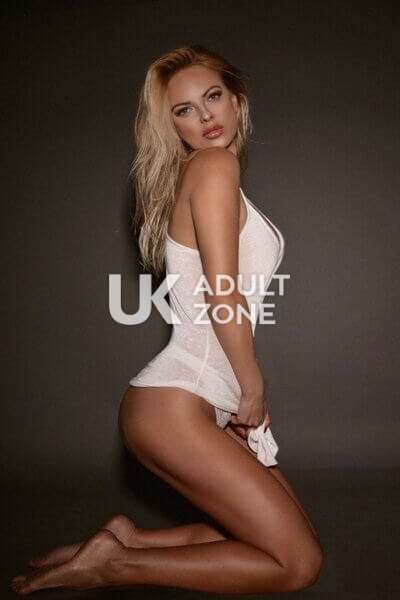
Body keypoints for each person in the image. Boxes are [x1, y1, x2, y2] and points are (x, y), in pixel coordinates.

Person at [11, 45, 324, 595]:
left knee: (285, 536)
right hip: (176, 405)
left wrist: (237, 394)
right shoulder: (214, 166)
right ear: (172, 125)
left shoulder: (210, 173)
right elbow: (222, 291)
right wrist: (252, 385)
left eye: (213, 97)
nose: (205, 117)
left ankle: (127, 541)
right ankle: (114, 566)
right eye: (184, 110)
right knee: (297, 565)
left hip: (195, 398)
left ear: (236, 99)